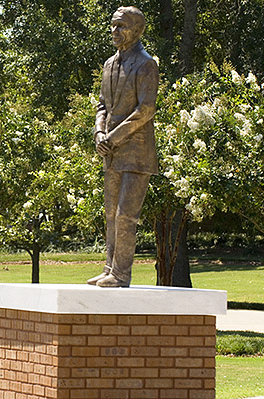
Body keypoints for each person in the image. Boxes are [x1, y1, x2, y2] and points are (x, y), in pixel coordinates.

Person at [87, 6, 159, 288]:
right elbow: (102, 105)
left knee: (125, 214)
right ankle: (109, 268)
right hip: (111, 151)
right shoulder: (109, 64)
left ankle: (121, 273)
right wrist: (99, 133)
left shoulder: (145, 64)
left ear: (137, 30)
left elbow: (146, 110)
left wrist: (113, 137)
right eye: (113, 26)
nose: (115, 32)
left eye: (121, 27)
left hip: (137, 151)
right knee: (110, 214)